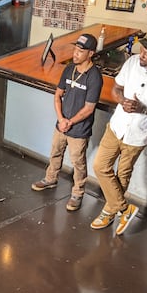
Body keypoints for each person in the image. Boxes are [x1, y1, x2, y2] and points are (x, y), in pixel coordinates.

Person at [91, 29, 147, 235]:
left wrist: (144, 109)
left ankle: (110, 210)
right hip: (118, 125)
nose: (142, 54)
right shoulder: (132, 62)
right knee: (100, 166)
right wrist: (121, 100)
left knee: (123, 173)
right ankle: (124, 208)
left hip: (140, 132)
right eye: (142, 49)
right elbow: (116, 88)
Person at [31, 33, 103, 212]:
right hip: (62, 124)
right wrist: (61, 119)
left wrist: (69, 122)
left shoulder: (94, 77)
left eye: (81, 51)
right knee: (55, 152)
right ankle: (50, 179)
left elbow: (89, 108)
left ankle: (78, 193)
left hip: (79, 129)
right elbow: (58, 95)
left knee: (78, 163)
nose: (76, 53)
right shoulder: (69, 69)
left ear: (91, 53)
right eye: (75, 49)